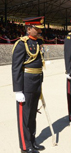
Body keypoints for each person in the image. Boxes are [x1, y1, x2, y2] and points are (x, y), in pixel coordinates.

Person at [12, 17, 46, 153]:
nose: (39, 31)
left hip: (36, 82)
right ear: (29, 28)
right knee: (25, 116)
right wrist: (18, 90)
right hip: (26, 83)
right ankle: (25, 147)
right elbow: (16, 68)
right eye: (37, 28)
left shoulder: (38, 42)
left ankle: (32, 141)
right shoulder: (21, 44)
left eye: (39, 29)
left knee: (32, 115)